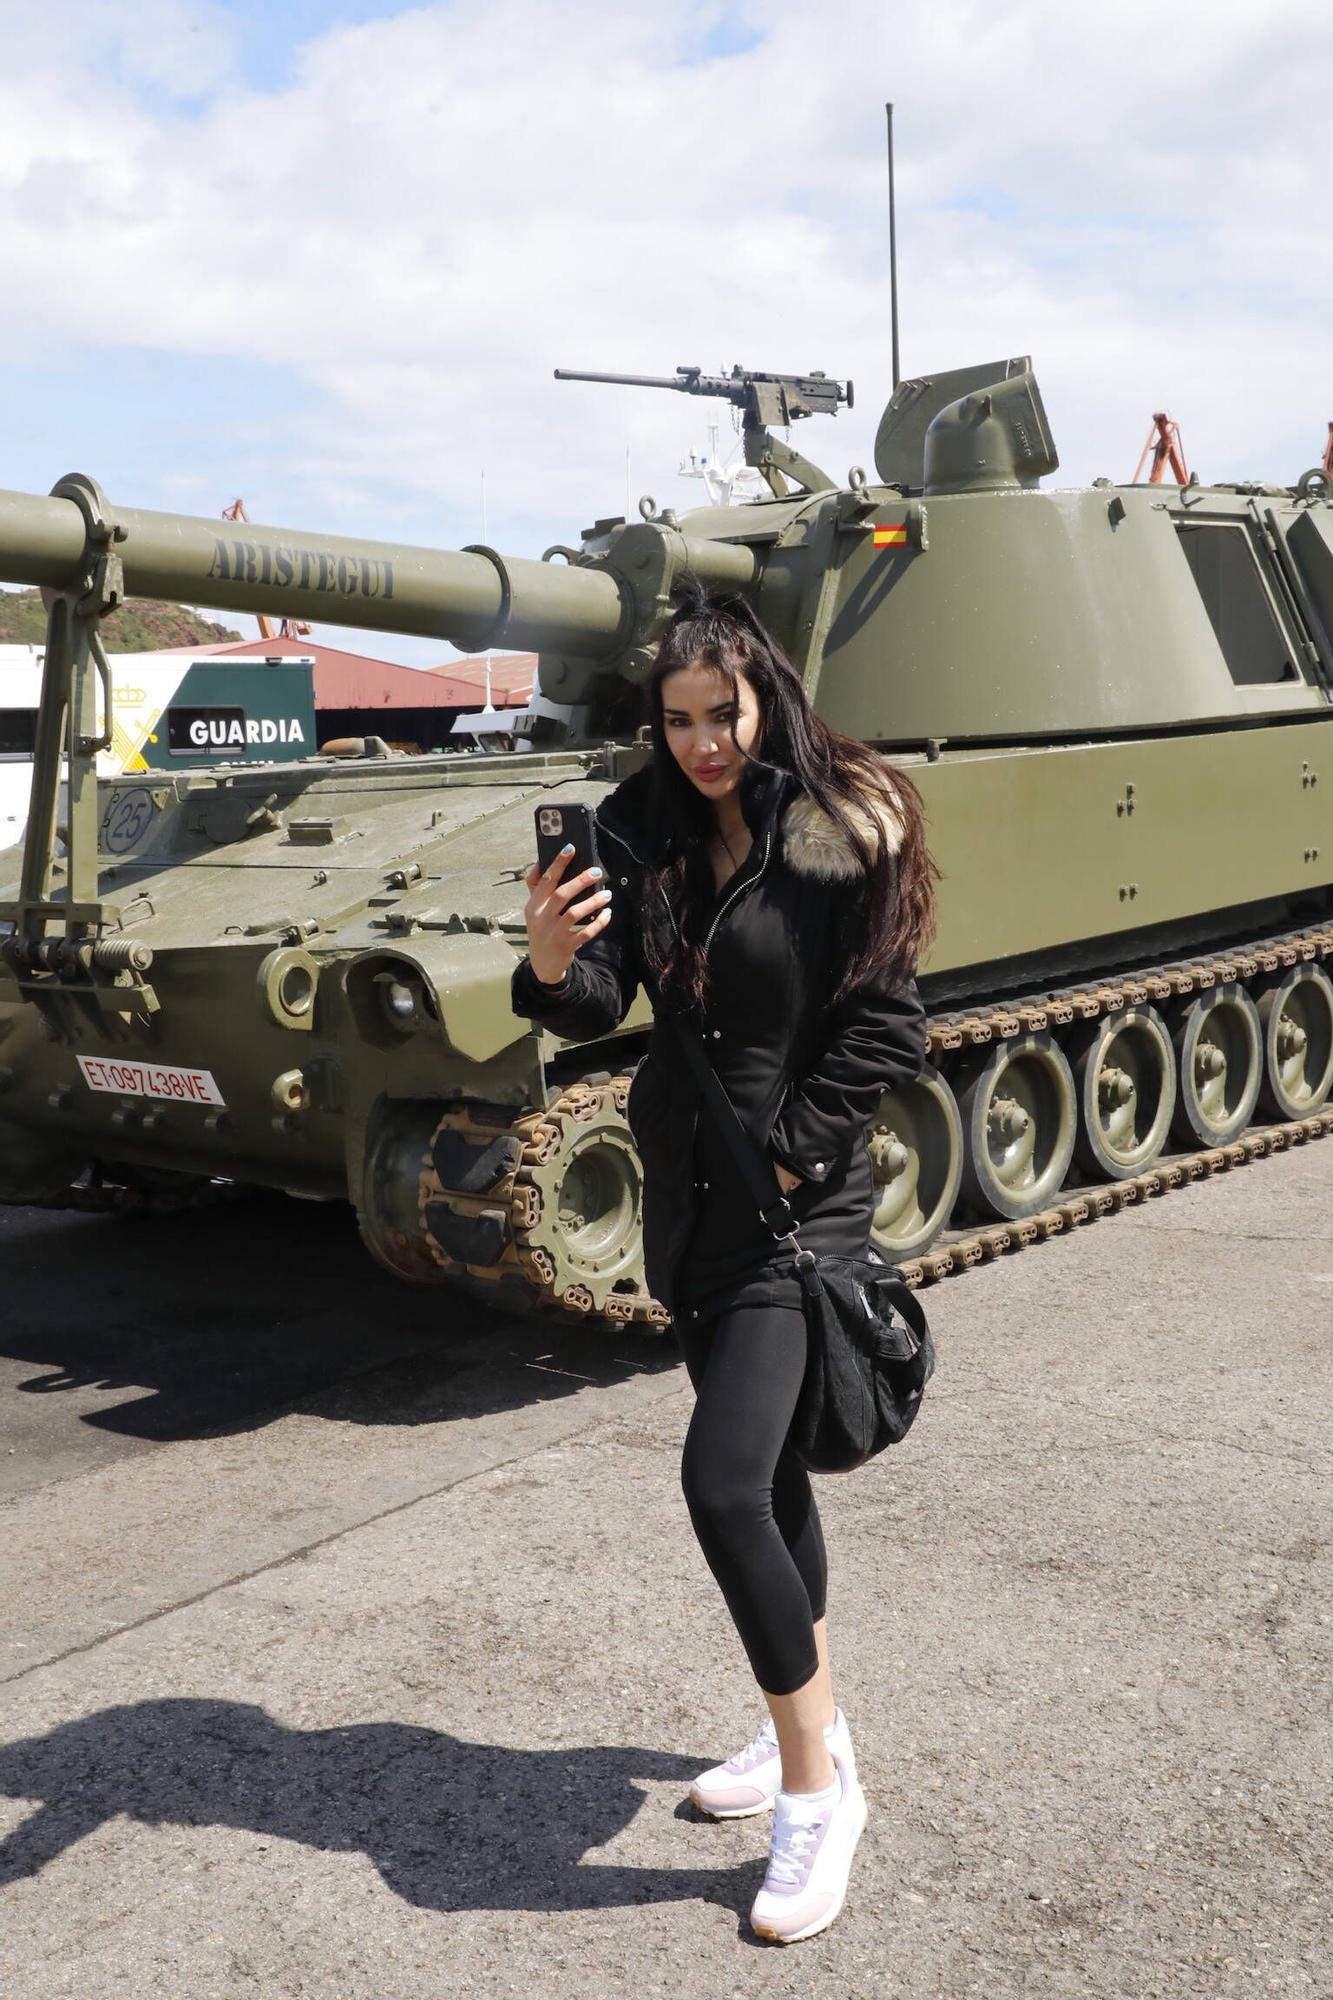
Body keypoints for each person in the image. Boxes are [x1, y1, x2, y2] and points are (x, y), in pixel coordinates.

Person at [510, 587, 936, 1944]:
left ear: (765, 696)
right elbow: (599, 1003)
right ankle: (809, 1722)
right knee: (772, 1484)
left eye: (721, 713)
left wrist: (803, 1161)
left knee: (721, 1484)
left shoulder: (836, 833)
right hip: (687, 1206)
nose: (700, 741)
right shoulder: (638, 830)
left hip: (791, 1212)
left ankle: (818, 1797)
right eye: (677, 718)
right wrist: (550, 957)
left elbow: (887, 1029)